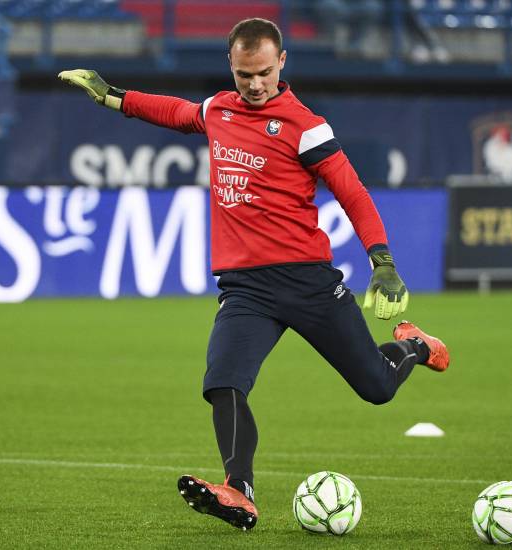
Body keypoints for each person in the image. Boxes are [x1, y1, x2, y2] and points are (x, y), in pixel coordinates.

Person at [58, 17, 449, 532]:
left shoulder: (306, 127)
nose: (256, 84)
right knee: (223, 381)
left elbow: (353, 193)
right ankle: (238, 490)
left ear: (282, 62)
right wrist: (113, 96)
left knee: (376, 387)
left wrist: (384, 263)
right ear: (232, 67)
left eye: (264, 72)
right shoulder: (219, 109)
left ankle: (415, 347)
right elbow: (176, 112)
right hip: (247, 288)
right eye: (245, 74)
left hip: (309, 282)